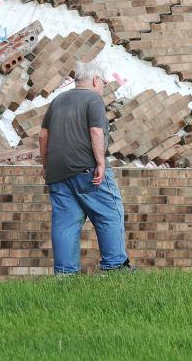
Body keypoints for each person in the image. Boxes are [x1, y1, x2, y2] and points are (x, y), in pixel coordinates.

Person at [39, 61, 132, 274]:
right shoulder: (93, 99)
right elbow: (96, 131)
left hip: (58, 173)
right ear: (95, 80)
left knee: (65, 223)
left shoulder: (58, 100)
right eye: (104, 83)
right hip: (87, 170)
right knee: (109, 212)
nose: (103, 87)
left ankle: (65, 274)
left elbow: (43, 136)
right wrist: (100, 162)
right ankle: (115, 266)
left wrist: (46, 165)